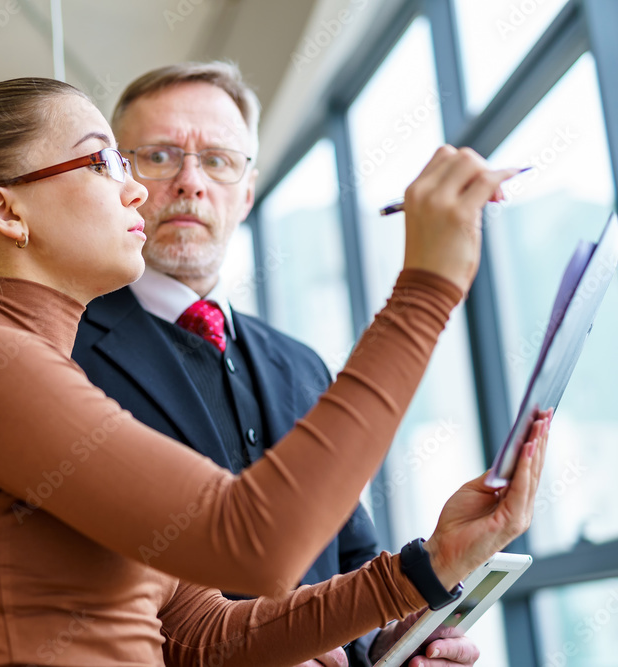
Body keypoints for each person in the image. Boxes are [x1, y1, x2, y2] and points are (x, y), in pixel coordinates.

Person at [0, 76, 550, 667]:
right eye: (107, 163)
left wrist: (432, 565)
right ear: (6, 211)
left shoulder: (29, 368)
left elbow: (207, 634)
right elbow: (259, 539)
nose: (137, 193)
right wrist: (426, 288)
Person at [69, 61, 474, 667]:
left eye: (218, 160)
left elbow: (346, 553)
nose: (190, 181)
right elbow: (71, 581)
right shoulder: (63, 351)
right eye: (158, 156)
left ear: (248, 191)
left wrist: (390, 645)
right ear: (120, 178)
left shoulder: (301, 364)